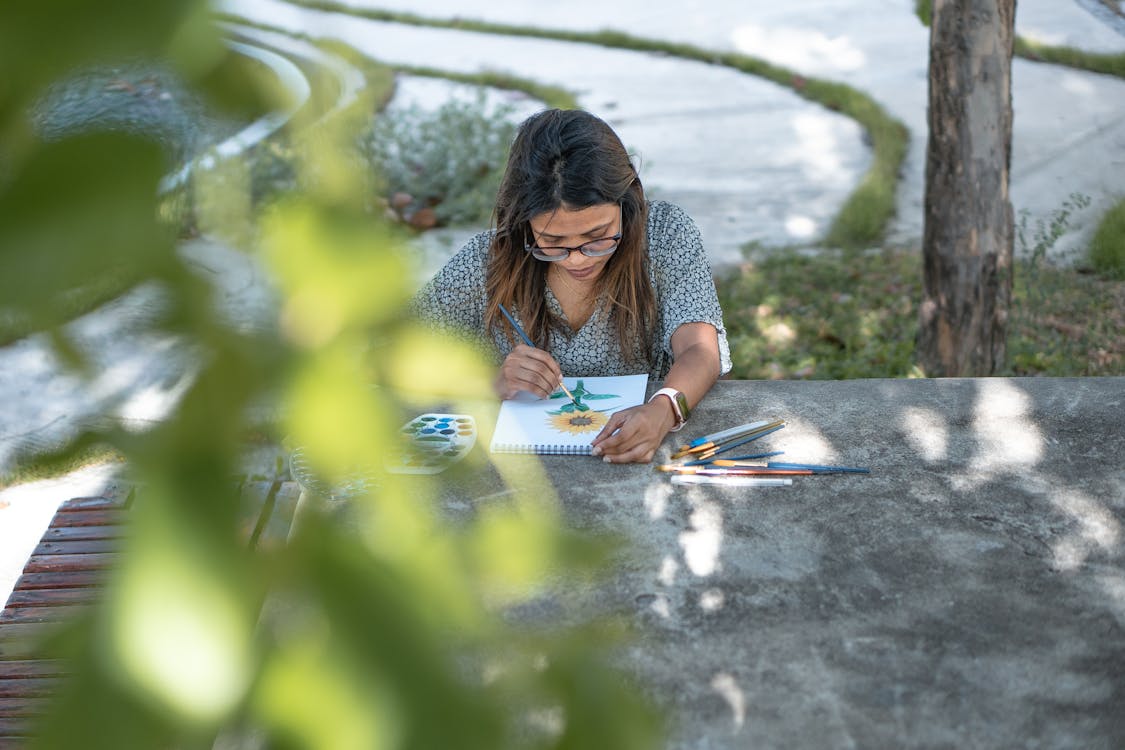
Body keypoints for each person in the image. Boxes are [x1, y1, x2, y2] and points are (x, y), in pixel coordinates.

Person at [413, 108, 731, 463]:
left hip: (633, 467)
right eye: (552, 241)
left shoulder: (664, 235)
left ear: (626, 204)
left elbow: (700, 349)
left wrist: (665, 407)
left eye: (597, 236)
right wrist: (491, 382)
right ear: (523, 223)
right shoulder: (489, 261)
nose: (577, 259)